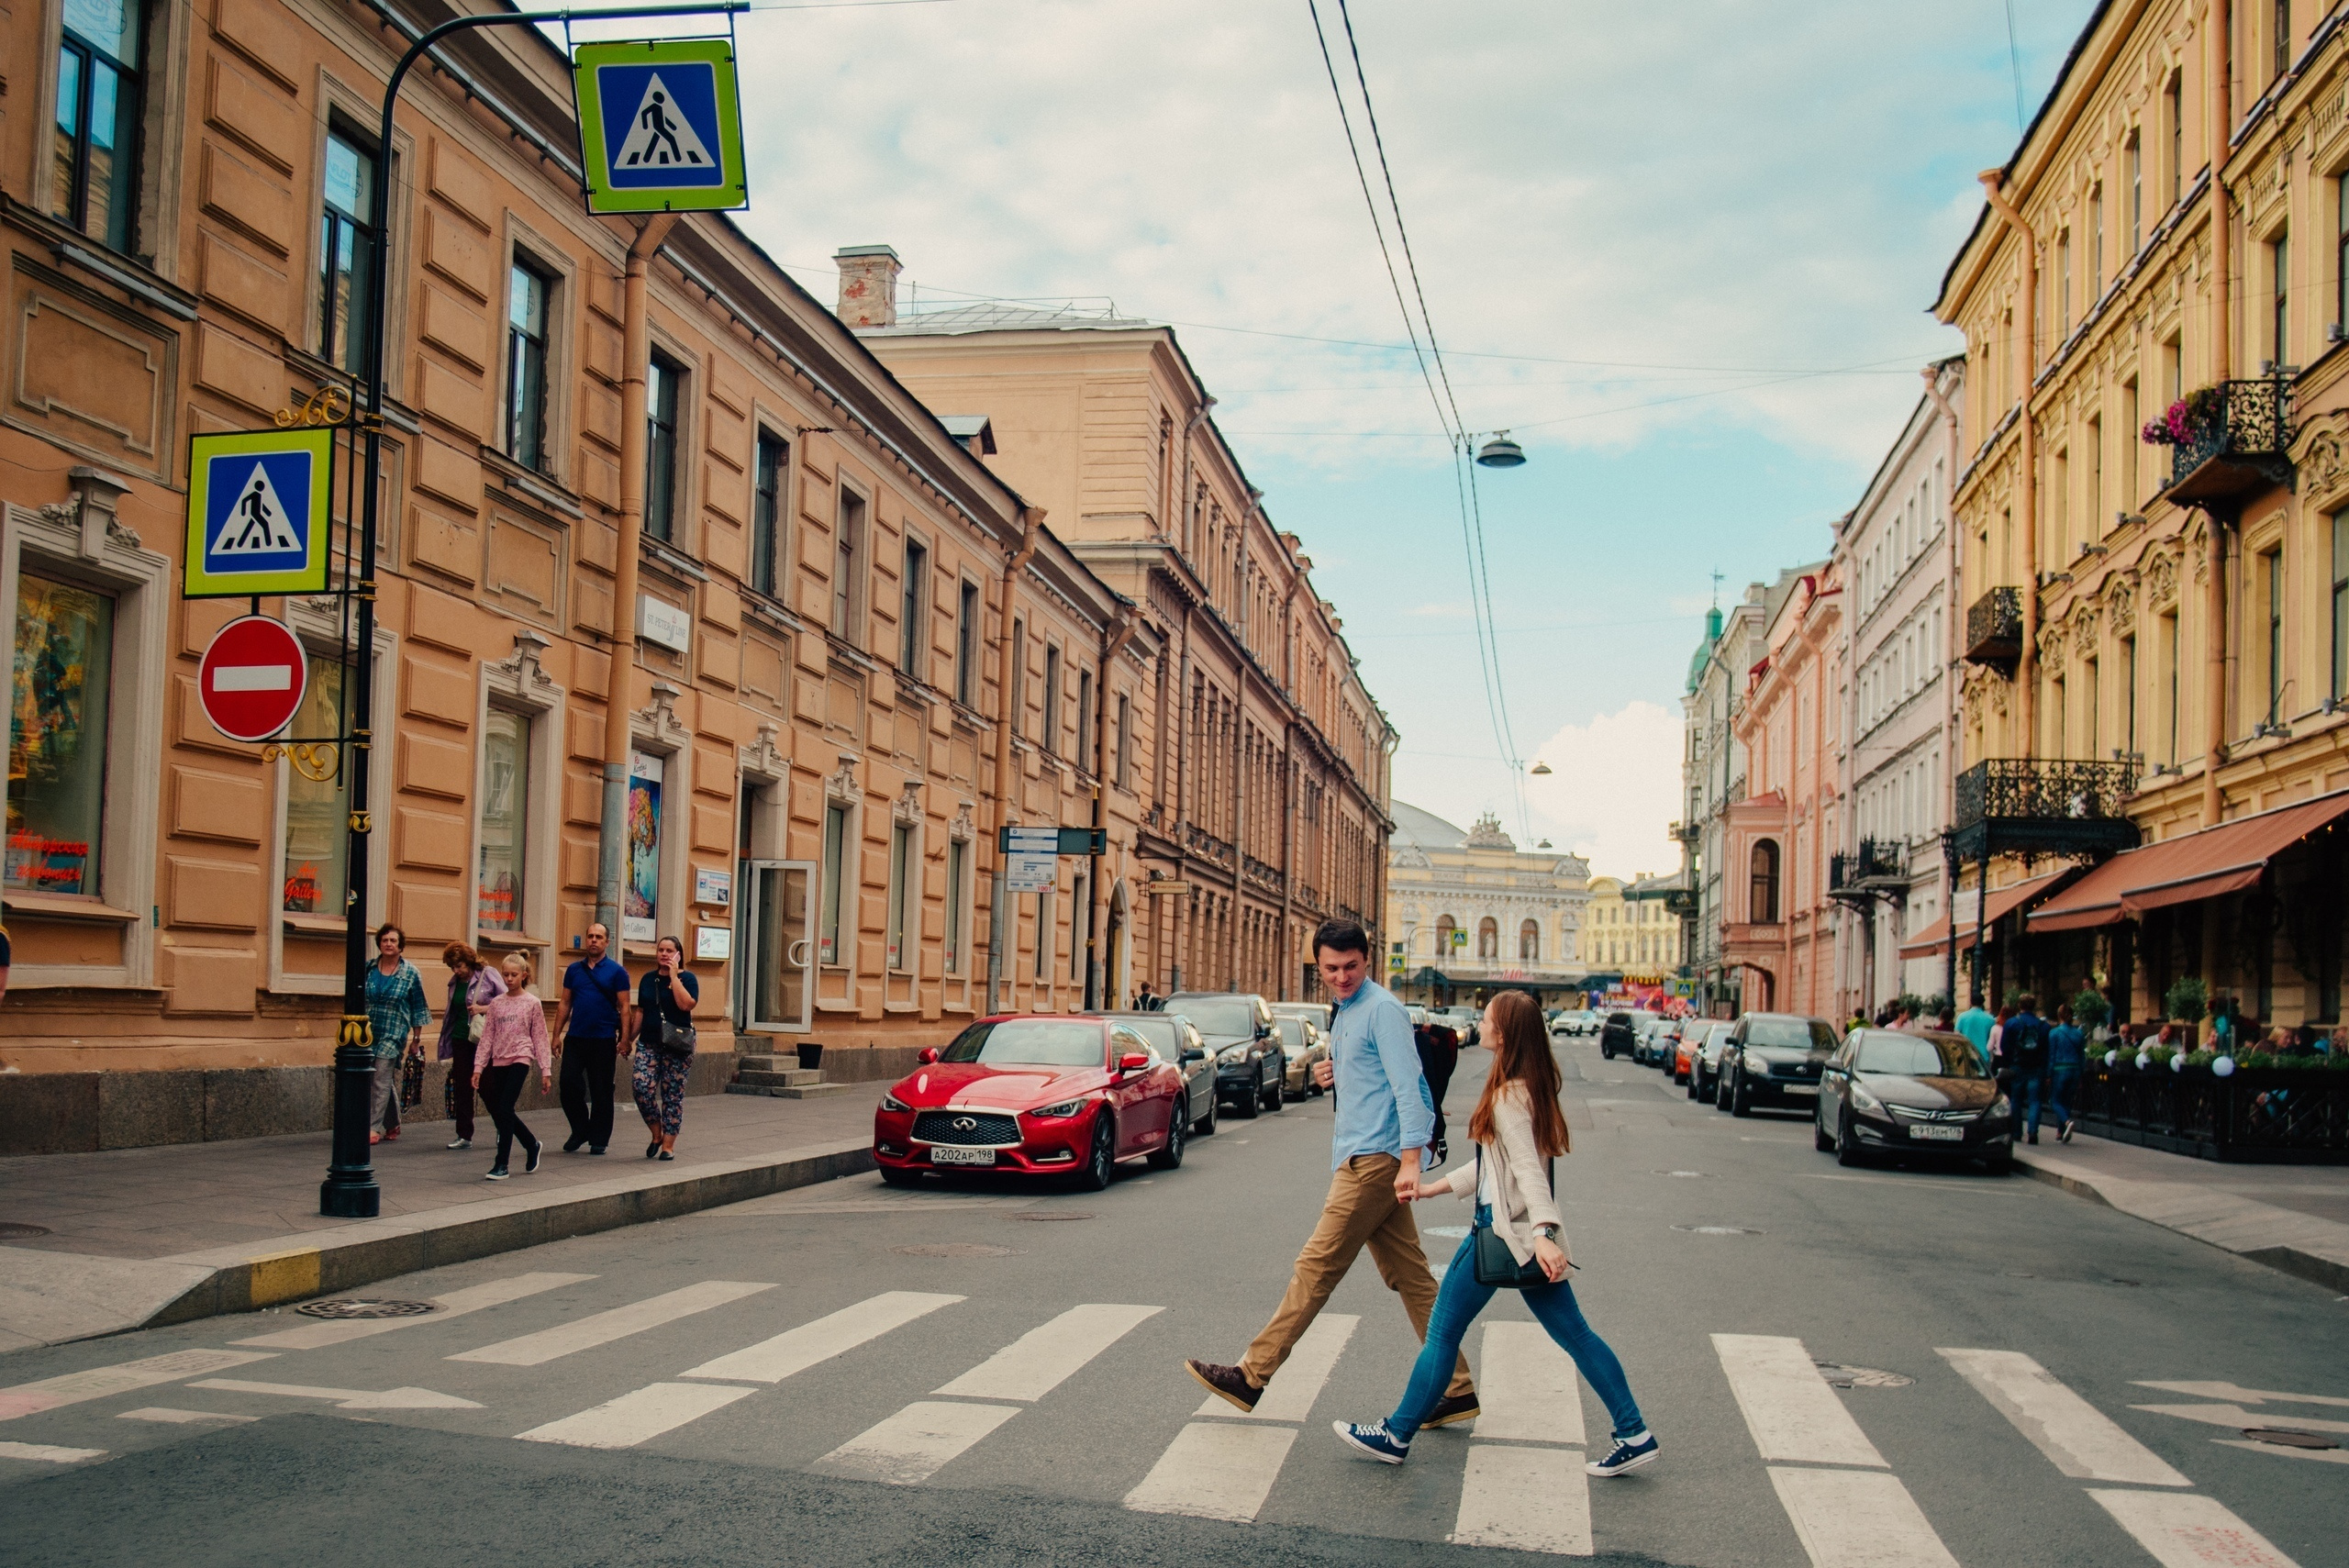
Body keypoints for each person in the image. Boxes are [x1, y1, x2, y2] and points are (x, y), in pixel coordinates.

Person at [1333, 989, 1655, 1476]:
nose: (1478, 1025)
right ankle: (1633, 1431)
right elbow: (1493, 1168)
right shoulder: (1530, 1087)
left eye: (1485, 1019)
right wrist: (1434, 1187)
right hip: (1522, 1237)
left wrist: (1546, 1230)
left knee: (1441, 1333)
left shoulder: (1508, 1096)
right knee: (1579, 1337)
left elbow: (1528, 1172)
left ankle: (1396, 1434)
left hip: (1503, 1237)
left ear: (1503, 1034)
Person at [1185, 918, 1477, 1425]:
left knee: (1316, 1267)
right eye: (1331, 969)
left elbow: (1412, 1093)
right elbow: (1374, 1077)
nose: (1341, 977)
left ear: (1367, 961)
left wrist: (1410, 1161)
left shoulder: (1382, 1010)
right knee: (1409, 1276)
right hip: (1365, 1155)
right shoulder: (1347, 1011)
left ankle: (1253, 1375)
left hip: (1375, 1162)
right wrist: (1335, 1071)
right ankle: (1456, 1389)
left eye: (1351, 967)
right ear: (1318, 967)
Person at [470, 952, 551, 1179]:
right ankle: (531, 1144)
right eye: (505, 974)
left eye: (514, 975)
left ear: (524, 975)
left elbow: (540, 1037)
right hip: (499, 1059)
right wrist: (478, 1067)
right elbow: (487, 1037)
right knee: (501, 1111)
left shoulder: (532, 1003)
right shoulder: (496, 1003)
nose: (508, 979)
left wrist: (546, 1070)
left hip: (521, 1057)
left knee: (505, 1109)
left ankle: (501, 1164)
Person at [553, 922, 631, 1156]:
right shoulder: (574, 970)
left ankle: (599, 1139)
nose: (593, 940)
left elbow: (625, 1007)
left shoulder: (617, 972)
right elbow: (565, 1002)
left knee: (601, 1090)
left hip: (603, 1039)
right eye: (590, 936)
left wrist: (625, 1039)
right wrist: (556, 1035)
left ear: (607, 942)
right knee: (568, 1084)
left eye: (599, 937)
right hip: (576, 1037)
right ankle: (580, 1129)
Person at [629, 934, 700, 1161]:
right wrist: (627, 1039)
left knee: (672, 1095)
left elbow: (686, 1004)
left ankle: (668, 1146)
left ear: (678, 955)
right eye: (661, 950)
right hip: (649, 1042)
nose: (664, 954)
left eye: (669, 951)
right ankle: (656, 1133)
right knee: (641, 1087)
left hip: (677, 1045)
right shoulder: (647, 979)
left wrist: (673, 975)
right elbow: (640, 1011)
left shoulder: (688, 979)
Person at [364, 923, 431, 1145]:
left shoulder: (410, 972)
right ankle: (392, 1123)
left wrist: (416, 1039)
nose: (389, 944)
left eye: (393, 941)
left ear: (400, 946)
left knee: (380, 1078)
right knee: (378, 1080)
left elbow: (418, 1006)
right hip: (368, 1031)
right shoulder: (369, 968)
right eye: (385, 940)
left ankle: (372, 1128)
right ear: (379, 944)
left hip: (394, 1032)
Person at [437, 942, 504, 1150]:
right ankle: (464, 1134)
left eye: (459, 966)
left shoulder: (488, 974)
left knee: (487, 1086)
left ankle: (504, 1126)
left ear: (469, 961)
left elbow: (507, 1001)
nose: (457, 971)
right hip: (460, 1038)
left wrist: (482, 1008)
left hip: (484, 1038)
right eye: (453, 967)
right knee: (462, 1087)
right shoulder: (455, 982)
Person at [2005, 995, 2051, 1143]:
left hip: (2017, 1066)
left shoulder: (2011, 1023)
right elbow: (2046, 1050)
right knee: (2035, 1100)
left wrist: (2009, 1063)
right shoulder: (2043, 1026)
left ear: (2019, 1005)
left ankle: (2017, 1133)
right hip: (2036, 1067)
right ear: (2034, 1006)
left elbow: (2004, 1047)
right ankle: (2032, 1132)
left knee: (2016, 1100)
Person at [2045, 1002, 2085, 1144]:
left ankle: (2067, 1122)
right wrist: (2081, 1074)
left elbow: (2051, 1056)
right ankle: (2060, 1132)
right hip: (2074, 1070)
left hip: (2060, 1069)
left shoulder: (2054, 1033)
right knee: (2066, 1101)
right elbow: (2082, 1056)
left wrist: (2048, 1074)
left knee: (2055, 1101)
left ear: (2059, 1016)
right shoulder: (2079, 1034)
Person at [1954, 995, 1995, 1070]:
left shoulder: (1962, 1017)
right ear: (1983, 1003)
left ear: (1970, 1002)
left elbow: (1956, 1036)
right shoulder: (1990, 1019)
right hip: (1983, 1056)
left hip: (1966, 1054)